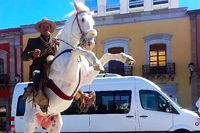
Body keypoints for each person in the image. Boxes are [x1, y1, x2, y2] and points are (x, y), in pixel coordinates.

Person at [21, 18, 59, 111]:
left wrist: (58, 45)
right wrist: (32, 54)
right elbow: (23, 57)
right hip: (38, 67)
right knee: (37, 75)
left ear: (50, 29)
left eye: (47, 26)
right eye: (43, 27)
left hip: (53, 66)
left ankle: (80, 97)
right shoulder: (32, 41)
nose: (46, 28)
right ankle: (41, 100)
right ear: (40, 29)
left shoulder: (55, 42)